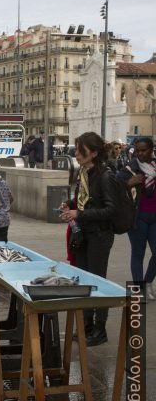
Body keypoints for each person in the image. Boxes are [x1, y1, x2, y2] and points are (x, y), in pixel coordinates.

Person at [59, 131, 116, 347]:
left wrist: (79, 214)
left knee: (98, 281)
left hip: (99, 235)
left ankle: (100, 329)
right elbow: (83, 200)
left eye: (80, 151)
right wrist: (70, 205)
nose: (76, 154)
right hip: (84, 233)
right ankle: (87, 325)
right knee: (83, 279)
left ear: (93, 153)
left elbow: (110, 210)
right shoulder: (84, 172)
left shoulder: (105, 175)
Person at [117, 137, 156, 300]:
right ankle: (138, 290)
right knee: (138, 254)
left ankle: (147, 282)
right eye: (137, 150)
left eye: (144, 150)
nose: (140, 153)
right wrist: (128, 183)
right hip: (137, 218)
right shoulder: (129, 169)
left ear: (151, 150)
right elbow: (114, 188)